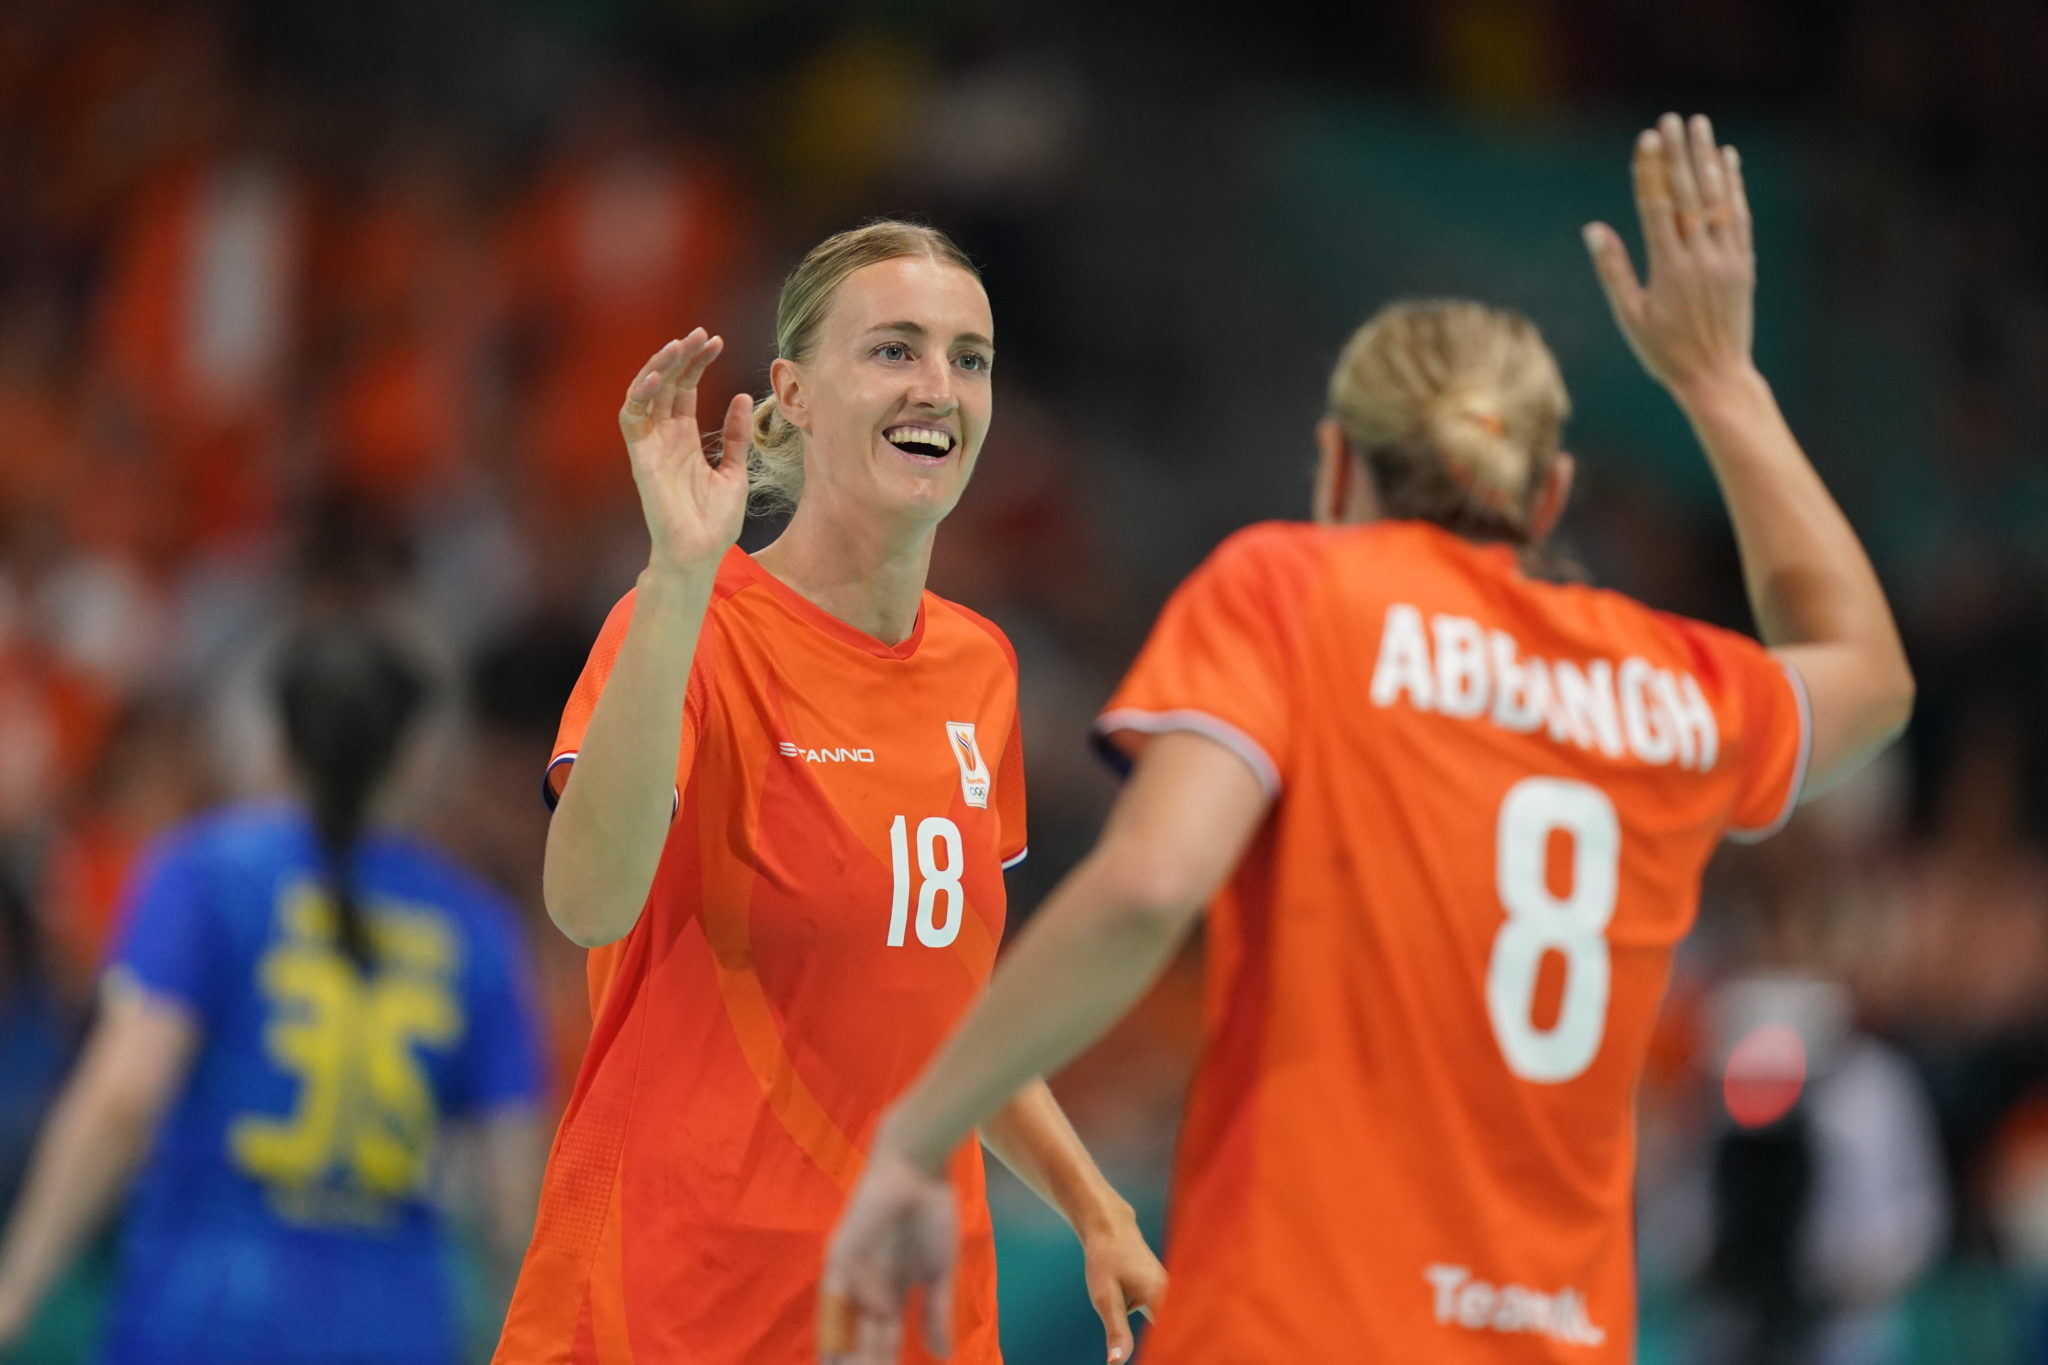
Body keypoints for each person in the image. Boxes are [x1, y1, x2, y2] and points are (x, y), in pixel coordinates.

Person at [821, 114, 1915, 1364]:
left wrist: (916, 1137)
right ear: (1547, 498)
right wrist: (1722, 383)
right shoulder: (1661, 685)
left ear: (1335, 470)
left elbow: (1150, 884)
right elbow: (1870, 678)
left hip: (1300, 1325)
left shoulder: (1294, 590)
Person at [493, 220, 1163, 1365]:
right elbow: (587, 905)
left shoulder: (980, 669)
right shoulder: (692, 627)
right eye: (894, 350)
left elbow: (939, 1004)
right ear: (793, 395)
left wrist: (1094, 1204)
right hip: (672, 1305)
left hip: (905, 1313)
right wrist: (676, 578)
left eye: (969, 357)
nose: (938, 387)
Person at [0, 614, 548, 1363]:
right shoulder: (478, 928)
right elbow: (513, 1189)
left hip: (206, 1311)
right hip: (392, 1325)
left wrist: (17, 1287)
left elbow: (122, 1098)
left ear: (276, 739)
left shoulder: (200, 873)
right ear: (417, 756)